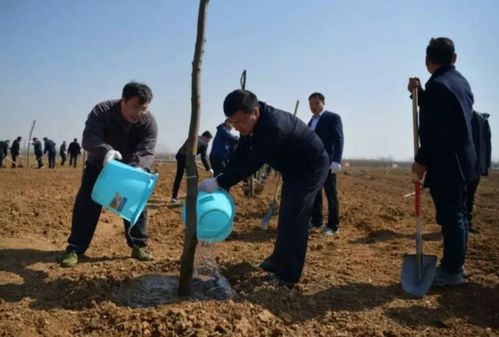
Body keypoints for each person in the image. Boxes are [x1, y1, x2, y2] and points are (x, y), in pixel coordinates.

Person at [199, 89, 329, 287]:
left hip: (311, 167)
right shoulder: (249, 126)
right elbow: (242, 153)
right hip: (293, 169)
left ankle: (290, 274)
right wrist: (221, 176)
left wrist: (221, 182)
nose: (239, 127)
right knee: (286, 213)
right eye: (234, 123)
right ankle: (278, 260)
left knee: (296, 216)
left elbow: (253, 162)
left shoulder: (273, 126)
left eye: (242, 122)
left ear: (256, 112)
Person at [61, 81, 157, 268]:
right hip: (100, 165)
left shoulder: (148, 122)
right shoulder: (102, 111)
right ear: (123, 100)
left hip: (129, 172)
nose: (138, 114)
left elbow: (147, 148)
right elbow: (89, 137)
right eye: (135, 107)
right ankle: (74, 248)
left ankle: (139, 244)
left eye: (143, 109)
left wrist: (139, 167)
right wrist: (105, 151)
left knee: (133, 204)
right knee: (87, 204)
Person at [408, 37, 479, 287]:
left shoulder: (438, 85)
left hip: (447, 163)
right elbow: (446, 112)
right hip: (464, 161)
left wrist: (421, 161)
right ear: (455, 58)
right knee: (457, 214)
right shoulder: (459, 82)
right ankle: (456, 263)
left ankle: (451, 270)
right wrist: (419, 95)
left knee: (451, 217)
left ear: (428, 60)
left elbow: (436, 129)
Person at [308, 92, 344, 236]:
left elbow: (339, 139)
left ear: (323, 103)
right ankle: (317, 220)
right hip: (313, 163)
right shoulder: (311, 122)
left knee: (331, 194)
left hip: (328, 162)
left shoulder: (332, 117)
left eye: (316, 103)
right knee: (315, 193)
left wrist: (336, 160)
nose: (313, 106)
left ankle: (334, 226)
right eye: (311, 104)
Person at [466, 111, 492, 234]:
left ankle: (466, 223)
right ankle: (464, 224)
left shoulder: (481, 120)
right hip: (470, 165)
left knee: (467, 196)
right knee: (465, 197)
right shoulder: (481, 120)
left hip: (472, 166)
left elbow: (486, 144)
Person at [171, 130, 213, 203]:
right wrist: (209, 168)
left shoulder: (194, 136)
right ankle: (192, 196)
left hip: (180, 156)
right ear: (206, 137)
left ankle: (174, 197)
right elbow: (204, 157)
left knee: (179, 176)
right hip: (188, 159)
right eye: (209, 140)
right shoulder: (204, 143)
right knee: (194, 177)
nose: (208, 142)